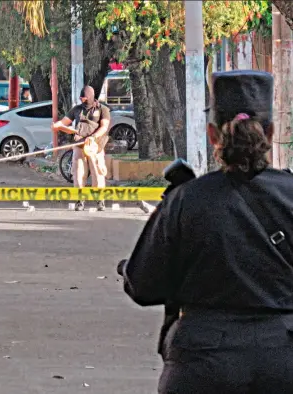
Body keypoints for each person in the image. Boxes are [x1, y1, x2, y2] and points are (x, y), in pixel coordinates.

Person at [118, 70, 293, 393]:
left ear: (213, 135)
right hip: (284, 358)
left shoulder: (186, 199)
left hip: (203, 362)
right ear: (269, 133)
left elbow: (142, 286)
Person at [52, 86, 110, 211]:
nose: (82, 100)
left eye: (83, 97)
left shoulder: (103, 109)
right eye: (80, 98)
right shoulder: (76, 110)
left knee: (97, 173)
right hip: (79, 145)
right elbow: (64, 122)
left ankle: (100, 200)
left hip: (96, 146)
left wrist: (93, 137)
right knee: (78, 172)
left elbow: (104, 127)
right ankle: (80, 200)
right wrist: (58, 125)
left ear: (89, 96)